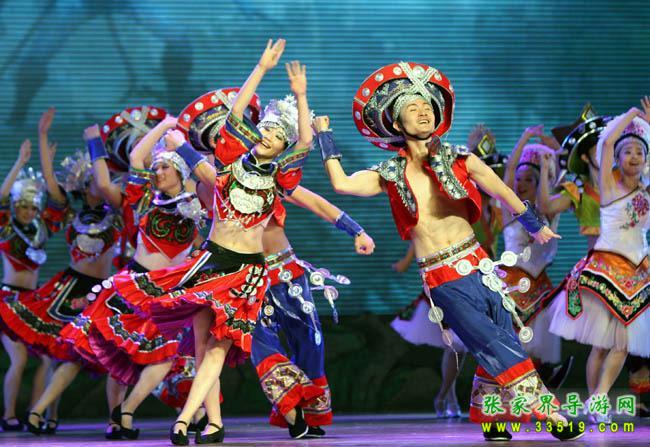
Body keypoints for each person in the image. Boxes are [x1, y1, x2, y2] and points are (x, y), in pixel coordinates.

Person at [316, 61, 583, 441]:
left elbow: (501, 190)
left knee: (503, 336)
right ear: (396, 123)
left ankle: (493, 417)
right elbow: (342, 185)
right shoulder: (389, 173)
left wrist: (535, 225)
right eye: (413, 108)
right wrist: (325, 137)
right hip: (442, 276)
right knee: (487, 339)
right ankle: (549, 411)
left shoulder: (461, 159)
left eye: (427, 106)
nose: (423, 112)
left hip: (480, 265)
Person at [548, 99, 650, 424]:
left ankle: (598, 400)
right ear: (617, 159)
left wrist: (647, 126)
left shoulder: (647, 191)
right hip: (606, 268)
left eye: (640, 152)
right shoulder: (608, 185)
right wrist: (632, 116)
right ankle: (596, 403)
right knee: (602, 345)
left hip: (637, 272)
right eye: (627, 151)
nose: (634, 156)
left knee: (623, 343)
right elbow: (606, 144)